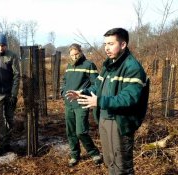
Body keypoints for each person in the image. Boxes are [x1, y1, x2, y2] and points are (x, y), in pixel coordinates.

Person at [66, 28, 149, 174]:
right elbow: (97, 86)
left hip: (120, 122)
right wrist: (82, 93)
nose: (106, 48)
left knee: (122, 166)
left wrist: (99, 101)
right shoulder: (108, 66)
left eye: (111, 44)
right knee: (110, 162)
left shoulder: (132, 67)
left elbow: (129, 98)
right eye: (105, 44)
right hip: (104, 118)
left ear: (123, 45)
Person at [60, 43, 103, 167]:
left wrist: (84, 93)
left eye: (76, 54)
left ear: (81, 52)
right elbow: (64, 81)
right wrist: (63, 92)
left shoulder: (89, 65)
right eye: (72, 55)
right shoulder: (68, 66)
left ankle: (94, 153)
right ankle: (74, 155)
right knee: (71, 132)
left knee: (81, 132)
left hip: (81, 103)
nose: (74, 57)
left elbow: (96, 85)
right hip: (69, 104)